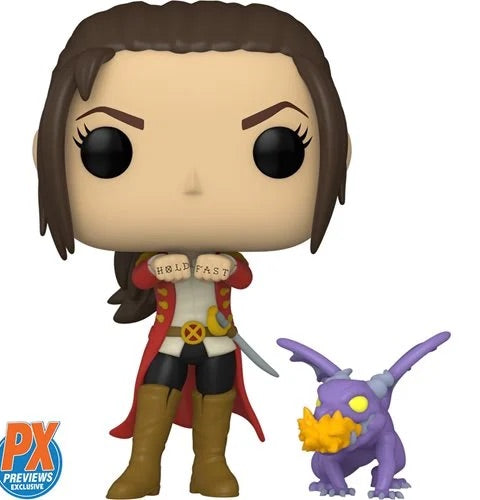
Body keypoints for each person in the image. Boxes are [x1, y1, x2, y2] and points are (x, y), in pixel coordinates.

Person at [33, 1, 348, 498]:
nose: (193, 184)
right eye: (108, 149)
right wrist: (157, 268)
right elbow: (140, 279)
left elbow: (243, 277)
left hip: (219, 340)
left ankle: (211, 467)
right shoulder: (153, 257)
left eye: (277, 149)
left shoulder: (227, 256)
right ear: (42, 151)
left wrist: (228, 269)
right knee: (155, 393)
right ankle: (143, 467)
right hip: (171, 338)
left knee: (216, 396)